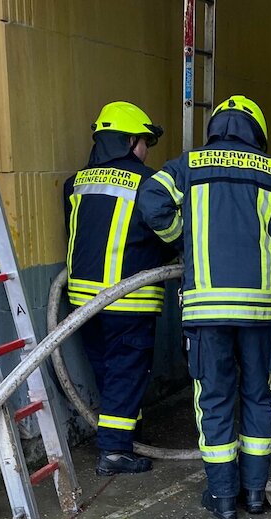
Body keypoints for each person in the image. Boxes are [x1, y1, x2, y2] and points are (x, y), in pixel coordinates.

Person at [137, 95, 271, 519]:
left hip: (205, 308)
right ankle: (253, 493)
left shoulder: (187, 166)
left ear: (216, 128)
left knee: (213, 397)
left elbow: (152, 201)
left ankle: (224, 498)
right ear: (258, 133)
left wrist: (184, 239)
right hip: (259, 312)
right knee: (257, 396)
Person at [64, 101, 174, 475]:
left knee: (110, 373)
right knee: (127, 371)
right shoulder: (149, 184)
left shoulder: (76, 182)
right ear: (130, 141)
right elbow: (163, 233)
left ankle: (127, 433)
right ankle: (114, 452)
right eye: (145, 142)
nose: (146, 151)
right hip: (130, 299)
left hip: (82, 304)